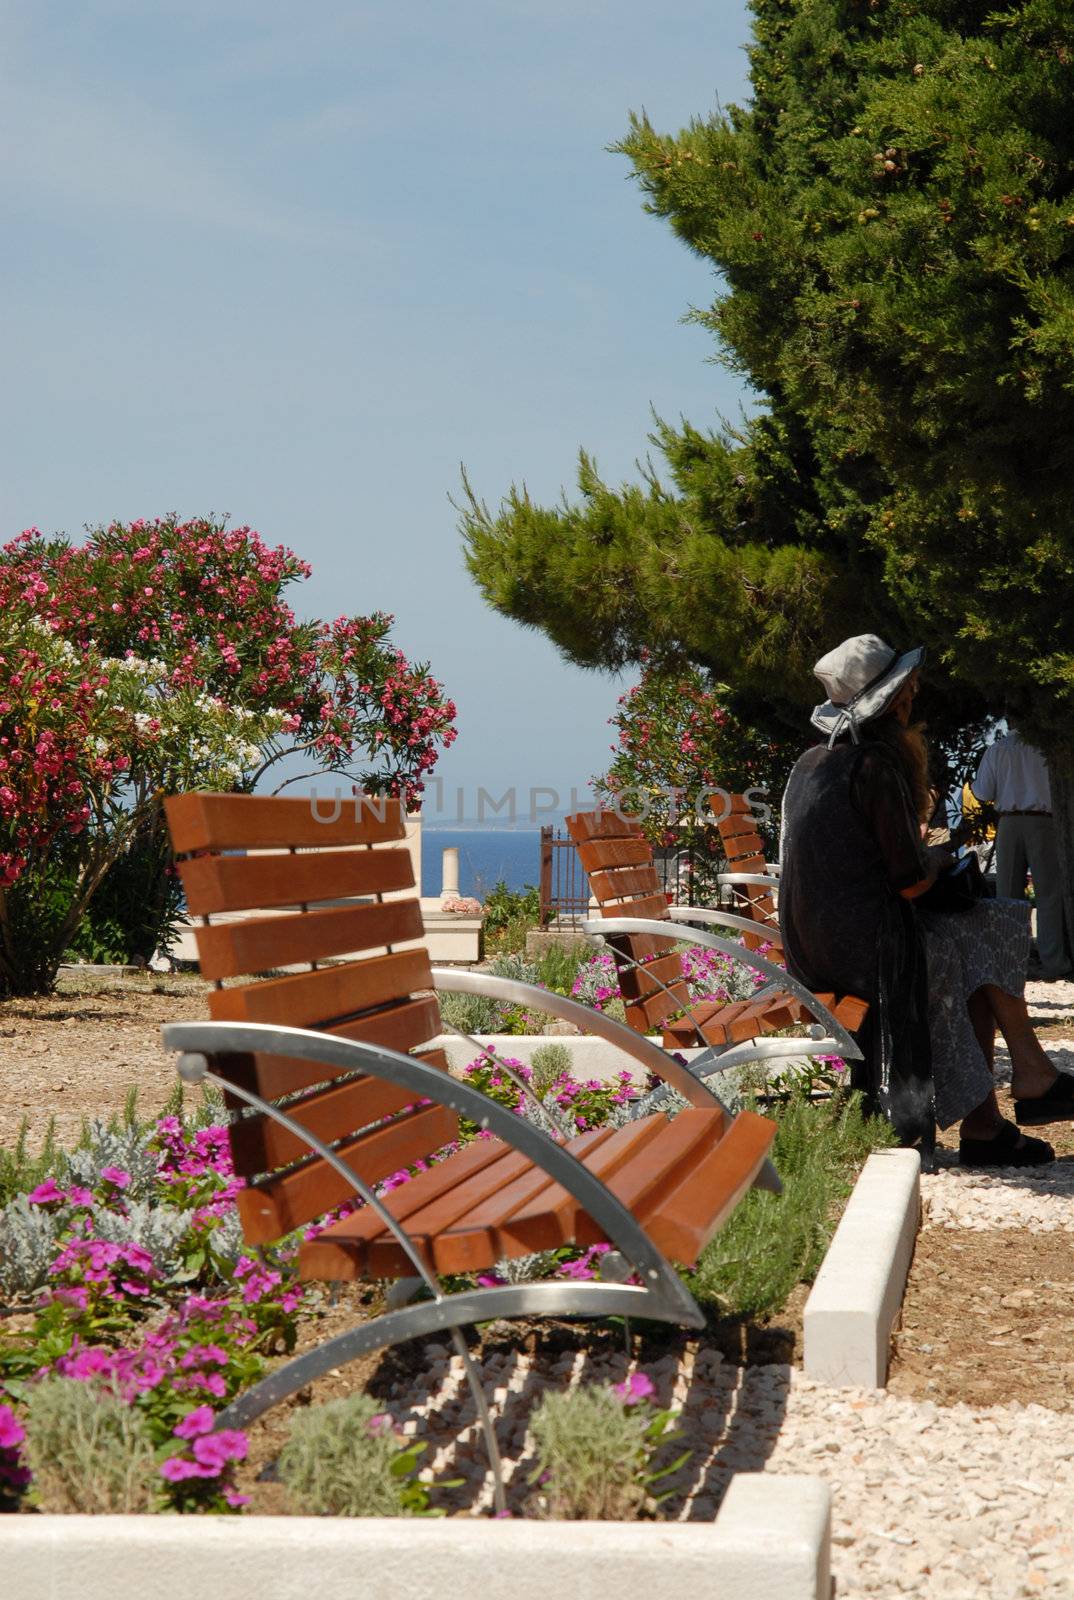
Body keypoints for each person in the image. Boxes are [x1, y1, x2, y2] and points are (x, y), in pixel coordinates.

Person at [779, 633, 1074, 1167]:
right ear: (892, 701)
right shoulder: (874, 767)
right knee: (970, 946)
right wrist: (937, 859)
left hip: (819, 944)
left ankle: (1022, 1088)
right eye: (907, 688)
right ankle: (1003, 1109)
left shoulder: (813, 762)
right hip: (864, 951)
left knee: (997, 921)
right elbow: (911, 883)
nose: (915, 693)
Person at [972, 728, 1071, 981]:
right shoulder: (1048, 747)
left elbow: (982, 792)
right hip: (1043, 821)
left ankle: (1010, 960)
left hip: (1009, 822)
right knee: (1049, 894)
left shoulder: (998, 749)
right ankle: (1054, 962)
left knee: (1007, 894)